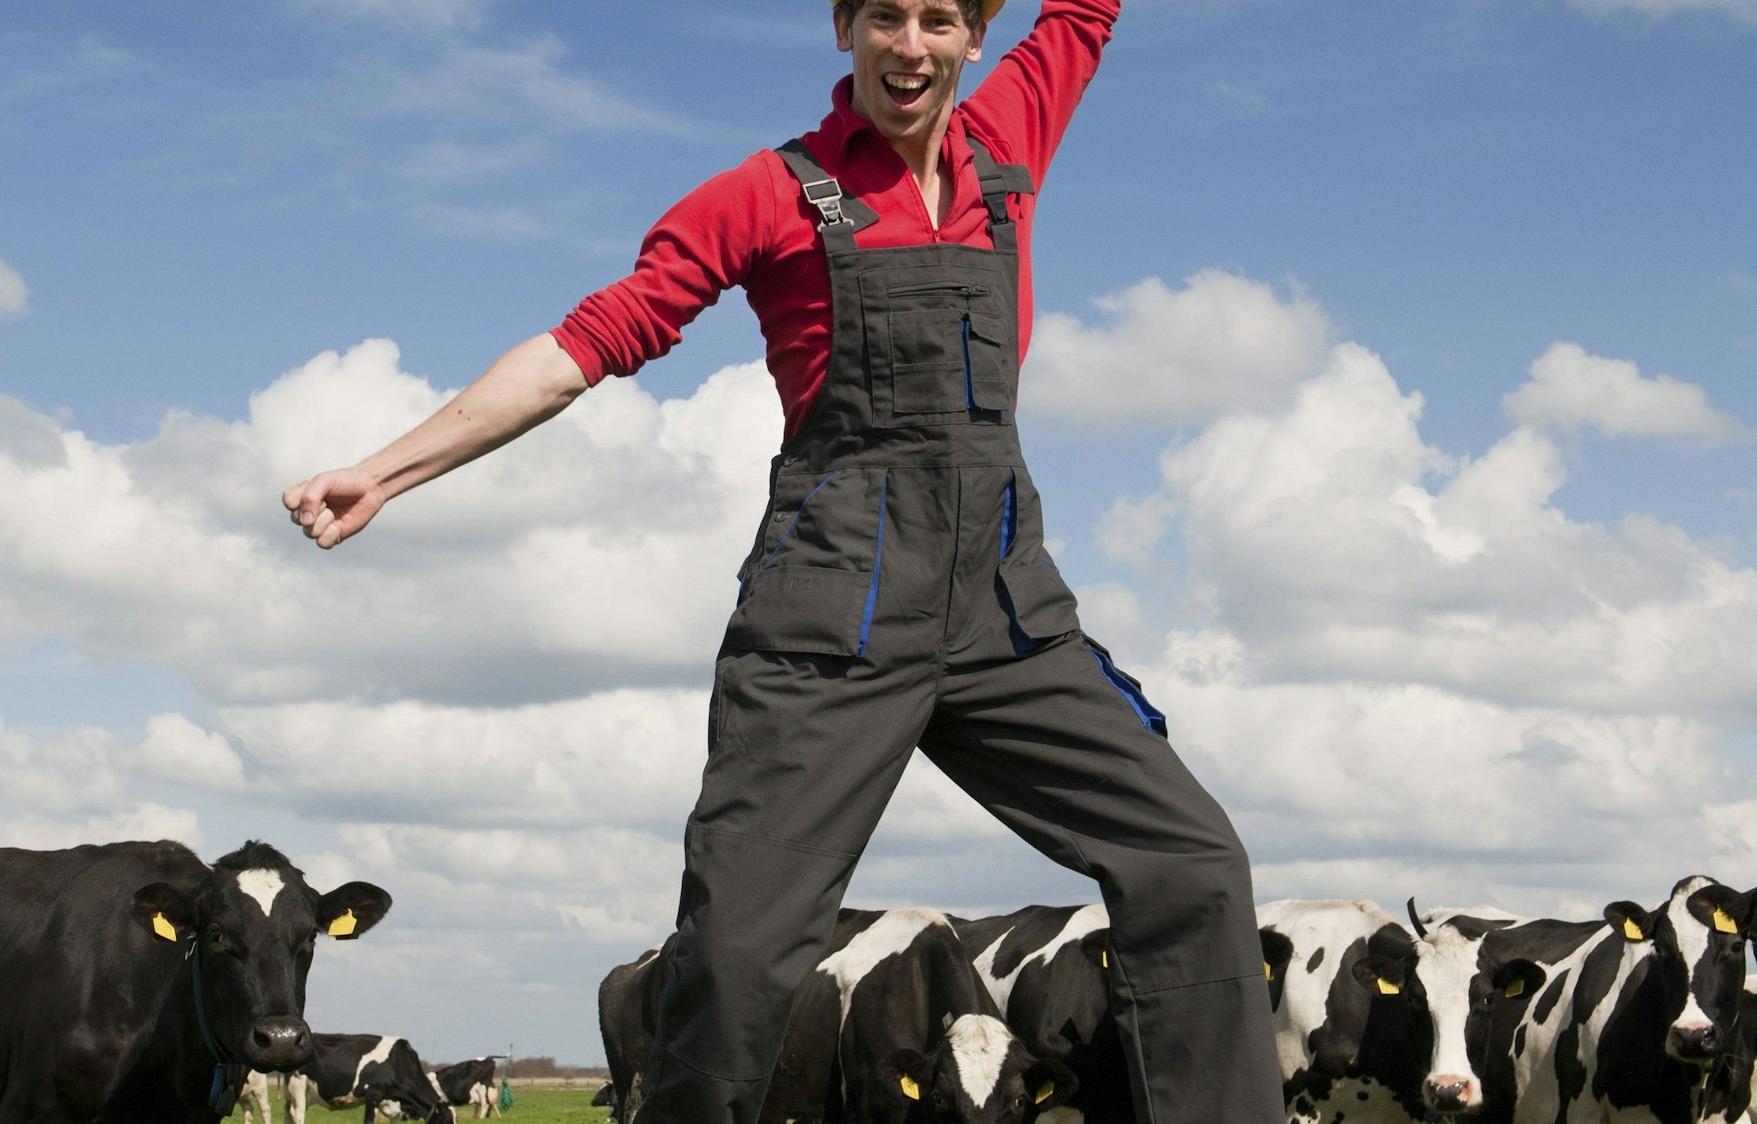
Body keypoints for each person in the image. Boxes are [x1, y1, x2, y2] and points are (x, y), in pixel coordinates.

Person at [283, 1, 1284, 1121]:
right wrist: (389, 468)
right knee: (738, 956)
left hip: (1007, 617)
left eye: (941, 18)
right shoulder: (768, 195)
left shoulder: (1010, 141)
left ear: (973, 36)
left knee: (1195, 863)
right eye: (887, 16)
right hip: (831, 624)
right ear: (847, 27)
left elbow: (1086, 13)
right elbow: (585, 344)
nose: (913, 44)